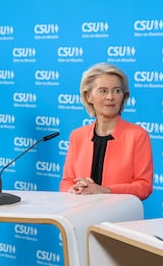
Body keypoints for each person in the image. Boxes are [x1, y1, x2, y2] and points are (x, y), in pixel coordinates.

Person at [60, 62, 153, 201]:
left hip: (119, 217)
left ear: (124, 96)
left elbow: (144, 186)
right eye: (103, 91)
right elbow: (66, 181)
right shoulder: (77, 136)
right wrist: (73, 189)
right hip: (79, 215)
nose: (110, 97)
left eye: (116, 91)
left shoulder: (137, 135)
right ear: (89, 97)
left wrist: (105, 190)